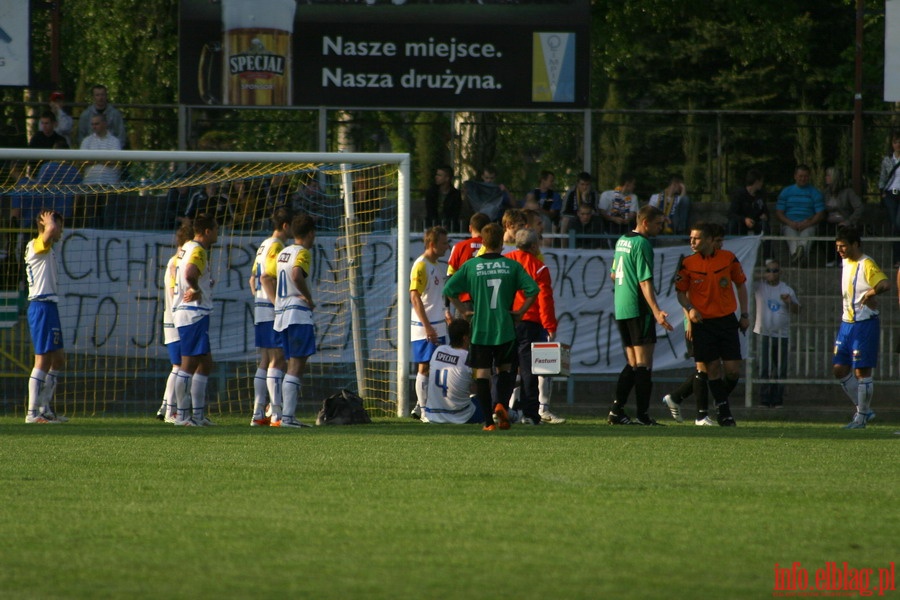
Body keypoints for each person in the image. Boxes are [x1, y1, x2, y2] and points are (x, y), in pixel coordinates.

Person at [443, 223, 539, 431]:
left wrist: (463, 309)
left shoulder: (471, 265)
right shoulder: (511, 265)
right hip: (504, 327)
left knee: (482, 375)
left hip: (480, 329)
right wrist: (520, 312)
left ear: (484, 243)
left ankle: (488, 422)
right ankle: (501, 405)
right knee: (505, 370)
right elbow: (533, 289)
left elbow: (449, 288)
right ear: (502, 242)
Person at [674, 222, 749, 427]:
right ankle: (724, 414)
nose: (692, 242)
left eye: (696, 238)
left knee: (733, 371)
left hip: (726, 320)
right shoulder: (688, 263)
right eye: (690, 238)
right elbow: (680, 292)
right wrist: (689, 309)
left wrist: (744, 314)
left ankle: (715, 403)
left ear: (708, 240)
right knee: (712, 368)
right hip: (702, 322)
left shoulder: (728, 258)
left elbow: (741, 284)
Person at [607, 205, 673, 426]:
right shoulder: (642, 244)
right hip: (638, 308)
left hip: (621, 308)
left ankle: (616, 411)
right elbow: (645, 281)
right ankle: (643, 415)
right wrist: (656, 311)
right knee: (644, 364)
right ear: (645, 222)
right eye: (657, 223)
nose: (660, 227)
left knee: (633, 363)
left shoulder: (622, 240)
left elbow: (613, 273)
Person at [505, 228, 563, 424]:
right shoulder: (539, 267)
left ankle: (504, 407)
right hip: (530, 322)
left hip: (506, 320)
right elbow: (544, 299)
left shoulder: (506, 261)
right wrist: (550, 325)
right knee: (530, 369)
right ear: (534, 246)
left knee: (507, 367)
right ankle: (530, 412)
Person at [832, 228, 888, 429]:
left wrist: (870, 293)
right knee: (839, 368)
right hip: (846, 323)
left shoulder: (866, 263)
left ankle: (862, 416)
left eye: (844, 246)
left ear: (856, 244)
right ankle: (864, 409)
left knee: (861, 372)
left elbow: (884, 283)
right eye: (838, 246)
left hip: (864, 323)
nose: (840, 250)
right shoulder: (846, 261)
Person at [171, 213, 219, 427]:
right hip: (193, 312)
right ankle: (182, 416)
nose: (218, 234)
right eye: (216, 230)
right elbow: (190, 273)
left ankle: (198, 415)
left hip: (190, 312)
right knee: (188, 364)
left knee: (206, 363)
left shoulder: (187, 248)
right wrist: (195, 288)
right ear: (207, 231)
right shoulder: (198, 250)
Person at [249, 206, 293, 427]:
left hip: (260, 306)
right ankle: (276, 413)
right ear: (285, 226)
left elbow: (253, 279)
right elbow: (266, 277)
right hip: (269, 307)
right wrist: (277, 305)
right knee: (278, 358)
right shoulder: (276, 246)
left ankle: (258, 412)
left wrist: (261, 299)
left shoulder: (263, 245)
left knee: (266, 360)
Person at [273, 214, 318, 428]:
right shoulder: (302, 253)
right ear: (310, 233)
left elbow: (268, 277)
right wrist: (308, 298)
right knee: (296, 366)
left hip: (282, 315)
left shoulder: (283, 252)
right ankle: (288, 417)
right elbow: (296, 274)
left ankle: (285, 416)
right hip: (297, 315)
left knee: (290, 364)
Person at [24, 210, 67, 424]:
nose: (61, 230)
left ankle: (45, 408)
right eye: (59, 225)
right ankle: (32, 413)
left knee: (58, 358)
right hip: (40, 305)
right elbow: (49, 230)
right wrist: (49, 222)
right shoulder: (36, 246)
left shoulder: (48, 249)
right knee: (42, 359)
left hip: (50, 306)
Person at [409, 226, 451, 418]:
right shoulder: (421, 265)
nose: (447, 246)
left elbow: (434, 297)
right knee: (424, 366)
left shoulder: (436, 265)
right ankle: (425, 411)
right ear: (432, 244)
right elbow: (414, 296)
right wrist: (427, 326)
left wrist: (445, 313)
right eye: (444, 243)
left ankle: (421, 406)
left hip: (438, 324)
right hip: (425, 327)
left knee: (437, 366)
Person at [157, 222, 195, 423]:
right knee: (179, 365)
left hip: (174, 318)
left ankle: (166, 406)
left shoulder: (177, 261)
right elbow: (173, 291)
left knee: (179, 365)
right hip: (176, 319)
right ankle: (171, 409)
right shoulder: (176, 263)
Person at [753, 260, 800, 408]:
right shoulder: (760, 286)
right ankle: (765, 399)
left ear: (781, 273)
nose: (772, 273)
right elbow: (747, 277)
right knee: (764, 368)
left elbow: (797, 310)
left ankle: (777, 399)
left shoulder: (786, 289)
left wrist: (789, 302)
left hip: (782, 335)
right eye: (769, 270)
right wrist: (763, 275)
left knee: (780, 369)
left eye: (775, 271)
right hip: (764, 334)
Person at [420, 319, 485, 425]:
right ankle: (513, 415)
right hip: (461, 415)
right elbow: (484, 385)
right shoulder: (469, 358)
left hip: (433, 415)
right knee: (488, 398)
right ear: (465, 338)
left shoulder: (438, 350)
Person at [775, 164, 825, 265]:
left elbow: (820, 213)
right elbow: (779, 212)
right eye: (800, 176)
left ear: (809, 177)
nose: (803, 179)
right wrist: (790, 223)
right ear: (795, 176)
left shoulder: (815, 193)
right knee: (791, 236)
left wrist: (808, 223)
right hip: (790, 224)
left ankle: (797, 256)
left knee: (807, 235)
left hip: (808, 224)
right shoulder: (786, 192)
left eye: (805, 176)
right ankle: (799, 255)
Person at [446, 212, 490, 316]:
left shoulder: (459, 247)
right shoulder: (492, 247)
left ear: (470, 228)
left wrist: (447, 307)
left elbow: (450, 278)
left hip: (465, 301)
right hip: (488, 300)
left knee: (464, 331)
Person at [878, 130, 900, 266]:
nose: (898, 145)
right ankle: (896, 258)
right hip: (891, 194)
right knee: (895, 225)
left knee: (898, 223)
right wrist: (882, 192)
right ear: (892, 144)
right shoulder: (887, 160)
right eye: (896, 142)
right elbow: (882, 177)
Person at [597, 174, 639, 244]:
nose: (634, 187)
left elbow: (633, 213)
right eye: (633, 184)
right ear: (627, 184)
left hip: (626, 224)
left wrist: (627, 219)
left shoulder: (633, 197)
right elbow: (602, 212)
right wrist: (613, 219)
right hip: (610, 222)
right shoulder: (607, 195)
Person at [728, 168, 769, 236]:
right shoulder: (739, 194)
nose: (762, 184)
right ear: (756, 182)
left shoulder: (760, 195)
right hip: (742, 223)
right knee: (732, 224)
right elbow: (731, 214)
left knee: (764, 226)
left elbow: (765, 210)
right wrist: (744, 219)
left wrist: (765, 216)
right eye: (761, 181)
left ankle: (765, 246)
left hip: (756, 222)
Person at [424, 165, 462, 229]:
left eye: (439, 175)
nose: (436, 177)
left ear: (447, 178)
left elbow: (455, 213)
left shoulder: (455, 194)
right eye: (437, 175)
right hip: (432, 225)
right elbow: (430, 211)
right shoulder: (431, 192)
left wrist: (447, 225)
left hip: (450, 226)